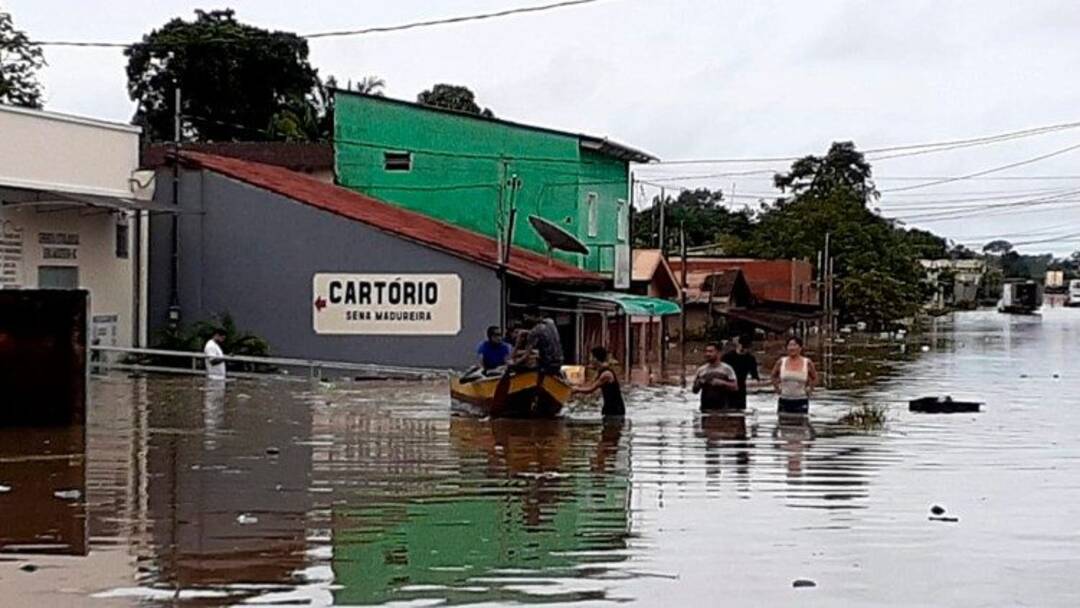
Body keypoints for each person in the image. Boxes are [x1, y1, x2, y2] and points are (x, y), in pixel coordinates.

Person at [571, 346, 625, 417]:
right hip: (608, 409)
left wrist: (576, 389)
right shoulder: (600, 371)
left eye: (591, 357)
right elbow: (589, 385)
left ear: (596, 359)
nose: (590, 360)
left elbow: (591, 389)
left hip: (615, 410)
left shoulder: (606, 374)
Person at [771, 336, 818, 415]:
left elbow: (815, 378)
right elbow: (773, 376)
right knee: (783, 424)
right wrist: (777, 389)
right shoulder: (781, 361)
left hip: (801, 400)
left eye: (795, 345)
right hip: (784, 399)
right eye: (790, 345)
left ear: (800, 348)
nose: (792, 348)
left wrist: (810, 390)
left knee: (802, 424)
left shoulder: (807, 362)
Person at [692, 342, 739, 411]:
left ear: (718, 353)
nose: (708, 354)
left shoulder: (727, 369)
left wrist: (722, 383)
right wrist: (699, 383)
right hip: (705, 408)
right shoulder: (701, 370)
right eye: (706, 352)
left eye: (711, 351)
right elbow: (694, 391)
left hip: (723, 408)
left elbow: (735, 387)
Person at [721, 335, 760, 410]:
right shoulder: (727, 357)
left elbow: (755, 376)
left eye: (746, 347)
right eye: (742, 346)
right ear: (738, 344)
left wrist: (754, 383)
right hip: (727, 389)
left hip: (741, 390)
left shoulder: (750, 359)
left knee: (741, 413)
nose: (744, 349)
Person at [523, 308, 564, 375]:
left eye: (526, 317)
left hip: (547, 363)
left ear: (532, 316)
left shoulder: (535, 330)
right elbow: (545, 334)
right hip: (559, 360)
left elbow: (526, 354)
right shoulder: (550, 321)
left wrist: (513, 363)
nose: (525, 320)